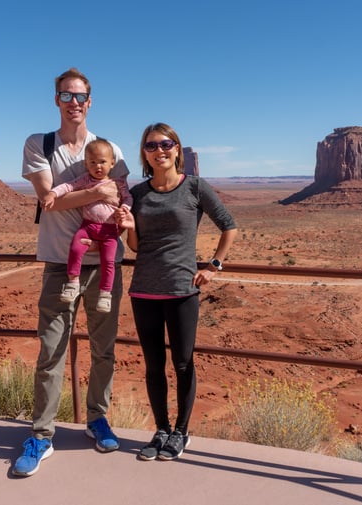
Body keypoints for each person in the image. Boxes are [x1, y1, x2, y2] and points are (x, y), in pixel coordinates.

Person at [13, 68, 128, 477]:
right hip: (62, 264)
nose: (74, 103)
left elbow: (123, 196)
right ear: (57, 101)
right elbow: (49, 200)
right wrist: (97, 192)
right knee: (51, 351)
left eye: (80, 97)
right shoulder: (40, 144)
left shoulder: (109, 147)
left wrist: (121, 224)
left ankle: (97, 418)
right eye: (66, 96)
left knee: (104, 350)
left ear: (90, 102)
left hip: (106, 267)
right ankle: (42, 435)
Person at [115, 122, 237, 461]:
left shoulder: (195, 187)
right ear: (145, 153)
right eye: (152, 146)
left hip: (183, 291)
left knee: (183, 364)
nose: (160, 151)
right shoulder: (138, 194)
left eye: (166, 144)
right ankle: (161, 429)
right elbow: (138, 247)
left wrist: (214, 266)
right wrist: (128, 228)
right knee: (154, 366)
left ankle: (181, 432)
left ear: (178, 149)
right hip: (144, 292)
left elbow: (229, 225)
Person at [41, 138, 132, 314]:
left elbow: (128, 198)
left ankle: (105, 294)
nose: (98, 166)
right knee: (75, 248)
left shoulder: (118, 183)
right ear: (86, 164)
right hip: (88, 227)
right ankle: (73, 282)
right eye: (92, 162)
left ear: (112, 164)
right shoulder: (86, 180)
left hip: (109, 232)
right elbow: (68, 186)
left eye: (102, 162)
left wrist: (125, 208)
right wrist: (52, 193)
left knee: (108, 262)